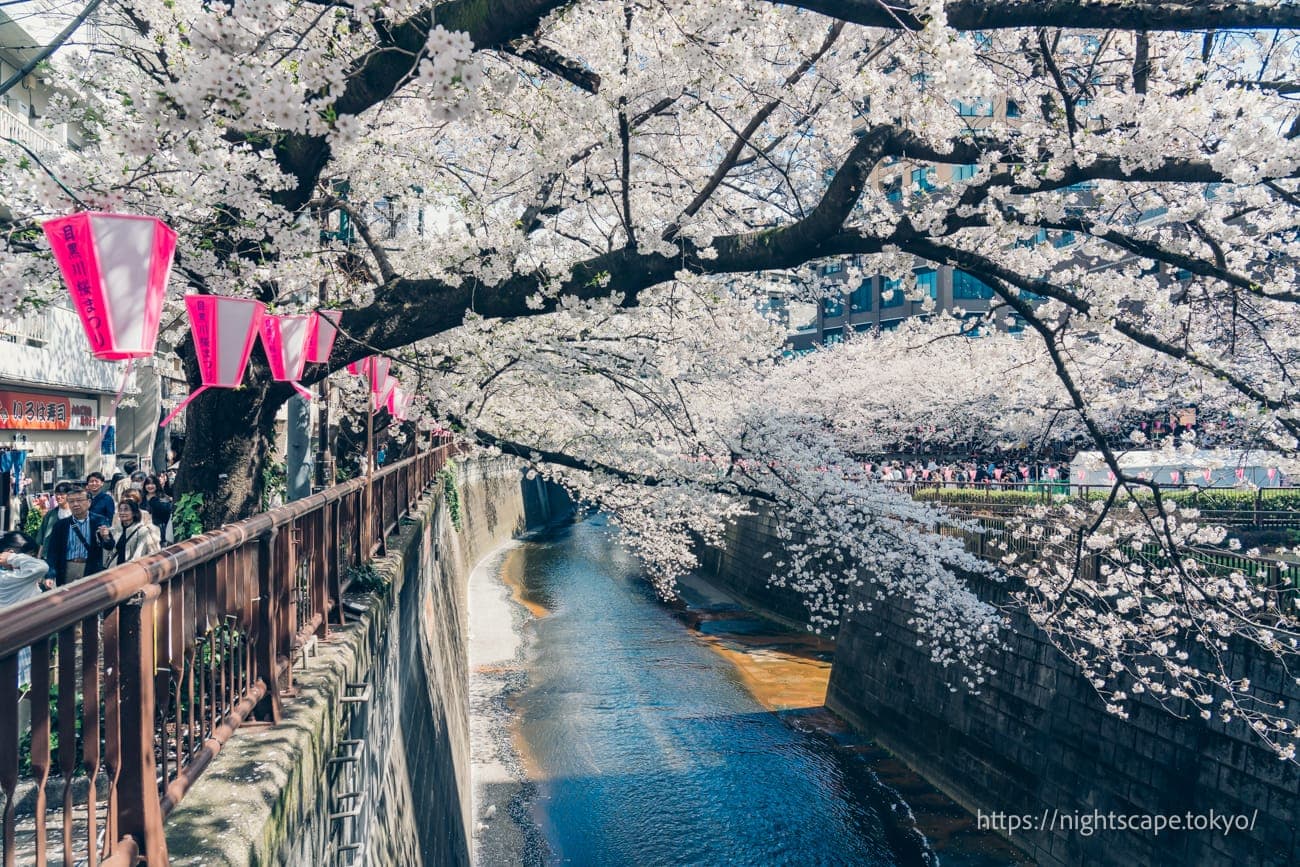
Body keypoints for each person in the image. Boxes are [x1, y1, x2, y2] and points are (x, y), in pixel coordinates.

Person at [47, 485, 110, 586]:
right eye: (71, 501)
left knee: (89, 598)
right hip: (67, 567)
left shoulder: (99, 520)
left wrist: (106, 537)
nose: (75, 504)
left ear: (89, 502)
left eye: (79, 500)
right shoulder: (61, 525)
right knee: (67, 599)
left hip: (90, 567)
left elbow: (110, 545)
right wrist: (50, 575)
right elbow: (53, 552)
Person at [101, 500, 161, 569]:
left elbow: (139, 554)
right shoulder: (116, 530)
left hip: (131, 570)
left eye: (126, 510)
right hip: (115, 569)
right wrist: (106, 537)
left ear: (134, 513)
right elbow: (110, 549)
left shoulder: (142, 531)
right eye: (120, 510)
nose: (122, 512)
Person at [0, 531, 52, 608]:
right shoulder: (17, 576)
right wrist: (11, 557)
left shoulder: (7, 574)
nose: (32, 559)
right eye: (31, 556)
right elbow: (42, 567)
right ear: (11, 553)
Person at [35, 481, 72, 558]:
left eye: (62, 494)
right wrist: (39, 556)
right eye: (57, 494)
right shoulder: (50, 514)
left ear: (69, 495)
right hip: (52, 553)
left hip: (70, 554)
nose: (58, 497)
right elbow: (42, 537)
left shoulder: (76, 513)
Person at [141, 475, 173, 540]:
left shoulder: (163, 498)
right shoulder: (142, 498)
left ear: (157, 485)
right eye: (148, 484)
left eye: (152, 484)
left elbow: (167, 514)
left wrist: (154, 502)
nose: (150, 486)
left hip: (159, 530)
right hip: (143, 530)